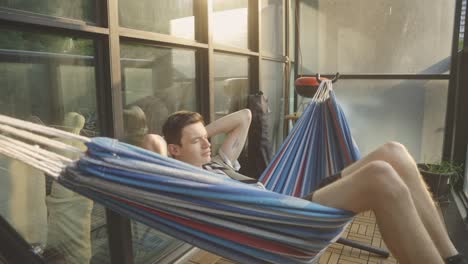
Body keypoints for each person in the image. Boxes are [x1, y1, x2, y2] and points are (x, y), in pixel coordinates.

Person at [143, 109, 466, 264]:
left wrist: (197, 135)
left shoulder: (219, 163)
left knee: (393, 151)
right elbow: (152, 141)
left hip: (293, 203)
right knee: (381, 176)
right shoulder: (183, 179)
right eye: (197, 142)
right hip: (283, 225)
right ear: (174, 151)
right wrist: (177, 150)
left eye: (207, 139)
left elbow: (244, 116)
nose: (208, 144)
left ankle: (451, 258)